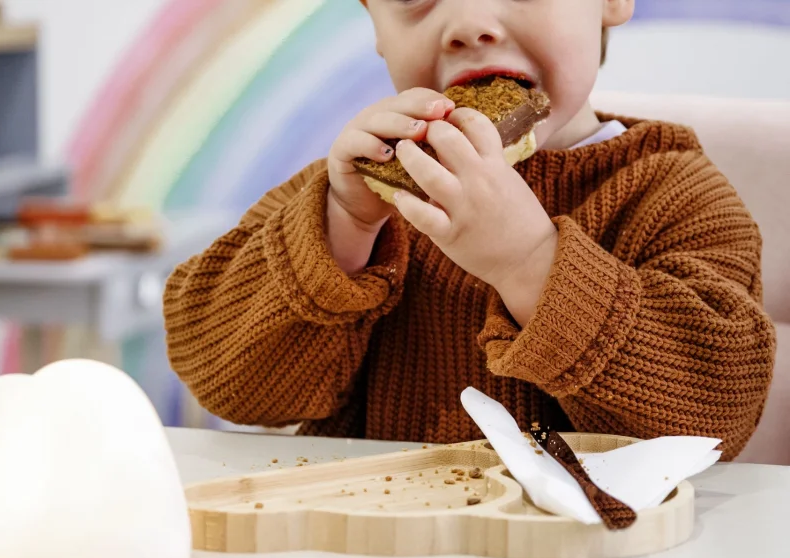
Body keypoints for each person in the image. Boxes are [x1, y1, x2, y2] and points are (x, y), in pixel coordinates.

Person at [163, 0, 776, 460]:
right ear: (376, 26)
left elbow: (716, 417)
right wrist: (341, 228)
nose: (468, 21)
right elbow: (223, 379)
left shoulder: (674, 194)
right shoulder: (353, 190)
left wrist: (530, 261)